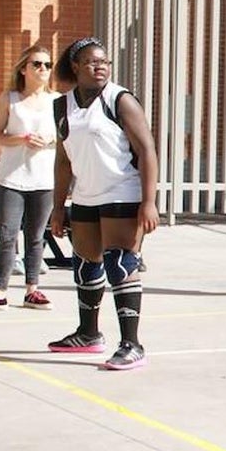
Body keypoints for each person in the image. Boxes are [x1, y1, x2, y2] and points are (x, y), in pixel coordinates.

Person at [48, 37, 159, 370]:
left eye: (105, 62)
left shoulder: (120, 100)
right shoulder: (62, 106)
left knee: (120, 264)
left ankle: (132, 344)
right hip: (86, 195)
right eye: (92, 62)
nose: (100, 67)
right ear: (75, 67)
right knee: (85, 264)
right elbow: (63, 160)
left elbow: (147, 150)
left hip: (123, 192)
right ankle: (88, 333)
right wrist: (58, 206)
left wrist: (149, 202)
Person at [0, 45, 59, 311]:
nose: (43, 69)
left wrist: (49, 140)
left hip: (44, 178)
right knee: (8, 235)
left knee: (36, 236)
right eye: (37, 64)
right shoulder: (10, 99)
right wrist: (19, 139)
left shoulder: (57, 101)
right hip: (11, 177)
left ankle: (32, 290)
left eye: (47, 64)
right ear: (23, 69)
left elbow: (68, 137)